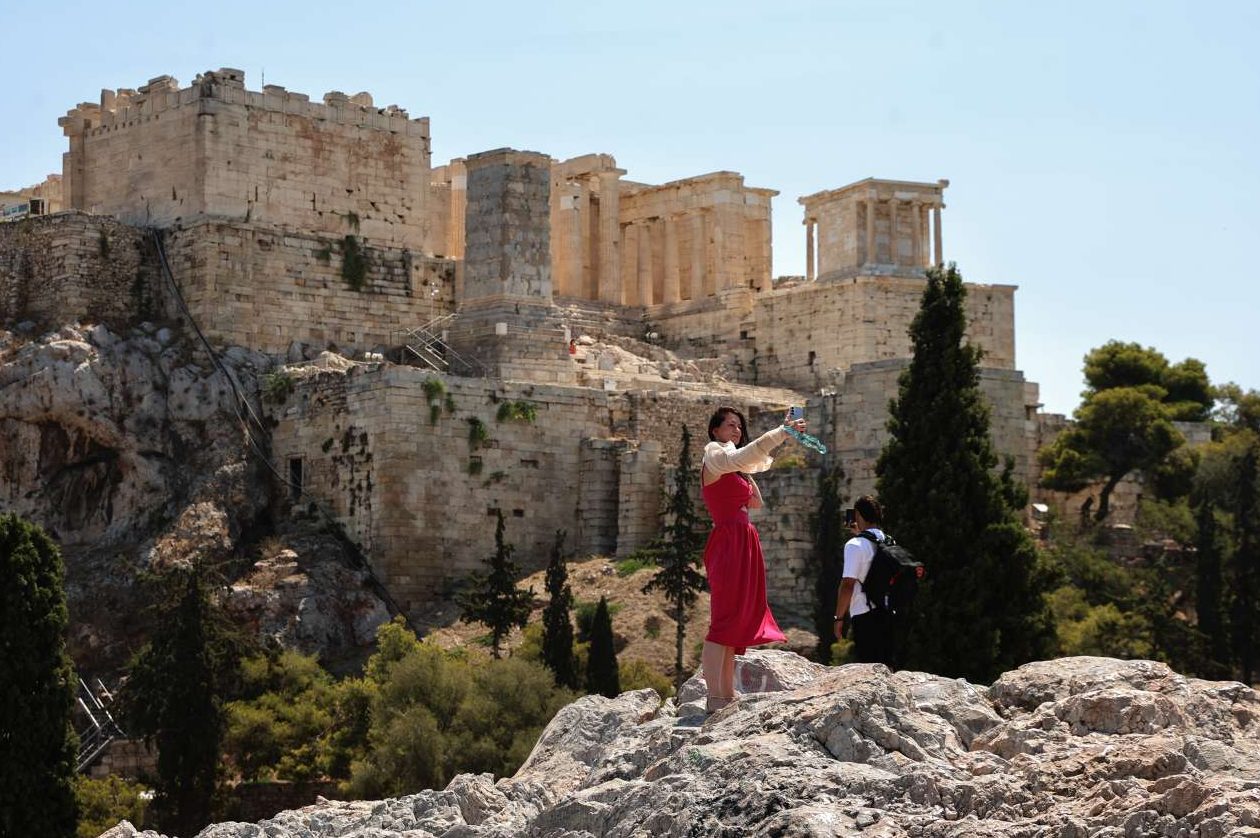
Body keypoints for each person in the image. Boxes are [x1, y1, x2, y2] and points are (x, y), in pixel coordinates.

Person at [700, 405, 807, 713]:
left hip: (744, 539)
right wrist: (780, 433)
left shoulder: (731, 466)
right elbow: (739, 457)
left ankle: (728, 693)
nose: (736, 429)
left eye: (739, 426)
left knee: (734, 618)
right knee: (722, 620)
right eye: (730, 425)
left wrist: (745, 472)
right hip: (728, 541)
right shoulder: (713, 455)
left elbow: (756, 502)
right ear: (715, 430)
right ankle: (714, 696)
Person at [832, 495, 896, 667]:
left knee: (869, 668)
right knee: (887, 667)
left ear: (858, 515)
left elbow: (847, 585)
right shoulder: (889, 541)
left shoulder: (854, 545)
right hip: (889, 612)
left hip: (864, 614)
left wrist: (839, 618)